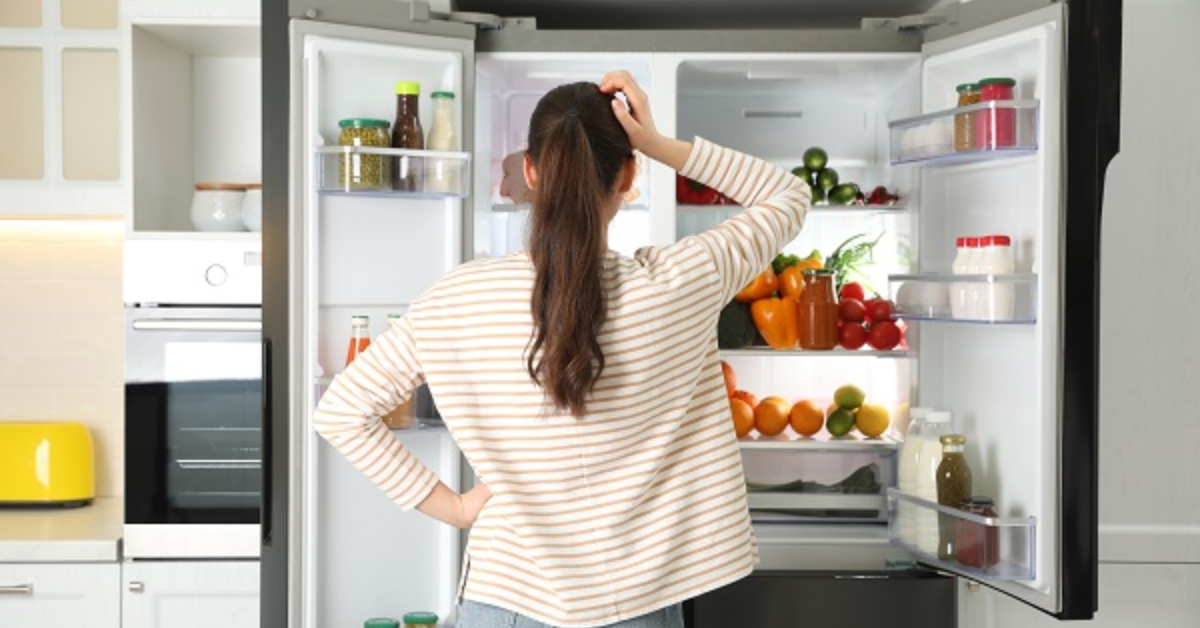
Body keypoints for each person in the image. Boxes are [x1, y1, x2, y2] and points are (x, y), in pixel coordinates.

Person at [313, 70, 811, 628]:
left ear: (530, 170)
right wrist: (655, 141)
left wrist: (453, 507)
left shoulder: (455, 299)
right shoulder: (682, 281)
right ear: (628, 175)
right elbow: (788, 195)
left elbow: (341, 412)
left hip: (502, 603)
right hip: (636, 606)